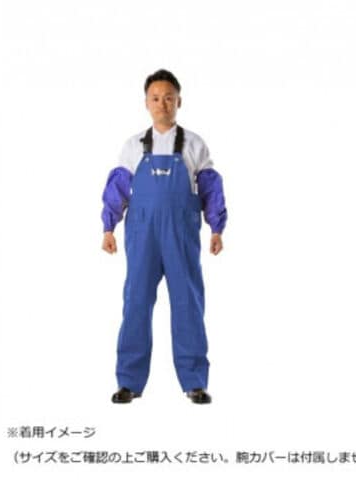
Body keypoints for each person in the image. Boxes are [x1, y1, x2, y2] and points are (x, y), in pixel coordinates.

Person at [101, 69, 227, 404]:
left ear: (179, 101)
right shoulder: (133, 146)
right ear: (146, 103)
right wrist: (108, 227)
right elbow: (117, 189)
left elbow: (211, 189)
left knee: (188, 303)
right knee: (136, 303)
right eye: (155, 98)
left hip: (181, 234)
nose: (162, 104)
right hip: (142, 234)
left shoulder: (194, 144)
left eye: (169, 97)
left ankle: (195, 382)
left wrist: (216, 228)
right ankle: (128, 382)